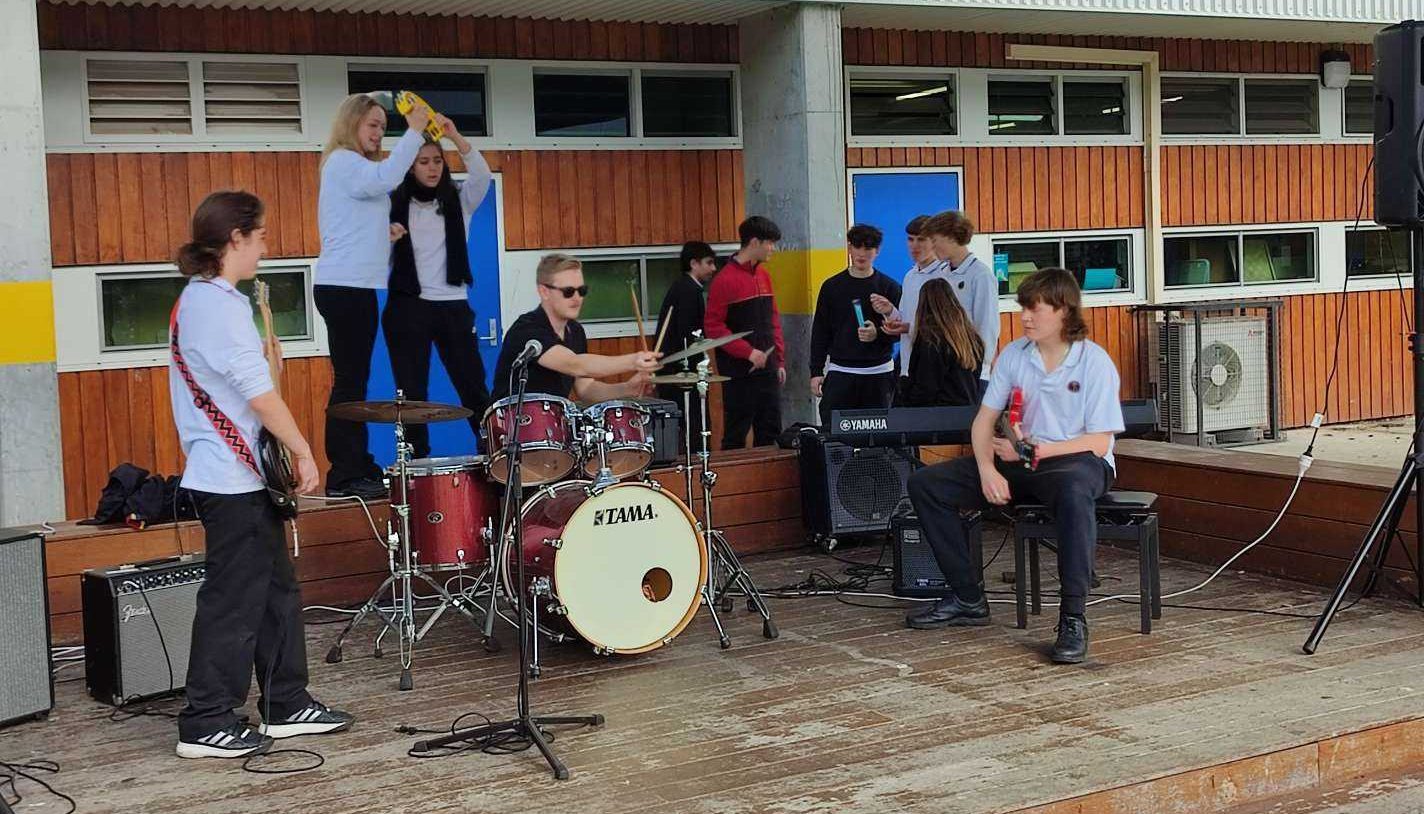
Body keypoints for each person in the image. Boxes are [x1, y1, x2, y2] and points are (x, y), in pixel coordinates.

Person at [169, 191, 353, 759]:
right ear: (236, 239)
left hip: (238, 477)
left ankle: (285, 702)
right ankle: (206, 720)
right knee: (234, 600)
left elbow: (244, 385)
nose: (266, 247)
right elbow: (259, 398)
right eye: (262, 236)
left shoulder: (205, 301)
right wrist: (303, 451)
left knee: (275, 592)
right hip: (230, 480)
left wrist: (268, 368)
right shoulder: (217, 306)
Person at [903, 268, 1124, 665]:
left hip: (1077, 462)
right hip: (1020, 459)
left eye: (1033, 308)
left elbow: (1100, 440)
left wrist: (1038, 453)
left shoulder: (1094, 362)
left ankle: (1073, 617)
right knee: (927, 484)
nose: (1024, 316)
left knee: (1074, 492)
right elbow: (984, 420)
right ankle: (968, 597)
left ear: (1062, 310)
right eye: (1022, 307)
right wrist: (987, 468)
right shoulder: (1014, 355)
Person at [315, 93, 429, 498]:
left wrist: (385, 233)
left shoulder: (351, 167)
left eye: (383, 127)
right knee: (349, 382)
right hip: (346, 288)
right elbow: (386, 179)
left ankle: (355, 464)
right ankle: (344, 474)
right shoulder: (345, 162)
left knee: (355, 381)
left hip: (353, 286)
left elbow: (349, 223)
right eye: (373, 125)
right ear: (352, 125)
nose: (379, 134)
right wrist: (414, 132)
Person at [383, 121, 493, 459]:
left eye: (437, 161)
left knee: (472, 386)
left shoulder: (460, 200)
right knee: (412, 393)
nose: (432, 168)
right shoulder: (391, 204)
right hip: (408, 306)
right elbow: (369, 255)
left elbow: (482, 175)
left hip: (452, 305)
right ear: (410, 166)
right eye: (423, 161)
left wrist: (455, 136)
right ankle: (416, 463)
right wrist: (382, 239)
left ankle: (494, 451)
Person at [491, 253, 660, 403]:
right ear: (544, 292)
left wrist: (627, 388)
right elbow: (574, 364)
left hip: (551, 432)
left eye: (582, 290)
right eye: (568, 291)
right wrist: (634, 361)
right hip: (509, 430)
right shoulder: (527, 329)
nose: (577, 298)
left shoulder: (575, 331)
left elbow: (585, 389)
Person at [879, 210, 999, 395]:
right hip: (930, 369)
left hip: (966, 374)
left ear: (951, 237)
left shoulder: (980, 275)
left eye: (934, 241)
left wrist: (977, 368)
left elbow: (987, 328)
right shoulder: (940, 274)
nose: (932, 247)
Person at [705, 216, 786, 449]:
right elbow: (714, 326)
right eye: (769, 243)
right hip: (739, 371)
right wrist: (748, 353)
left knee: (771, 428)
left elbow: (773, 320)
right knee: (736, 431)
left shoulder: (764, 276)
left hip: (768, 367)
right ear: (754, 242)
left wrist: (779, 360)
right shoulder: (724, 280)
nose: (773, 248)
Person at [809, 224, 902, 427]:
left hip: (879, 373)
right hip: (841, 371)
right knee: (833, 434)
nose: (862, 254)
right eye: (857, 247)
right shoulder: (832, 287)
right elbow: (820, 331)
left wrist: (877, 334)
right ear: (849, 248)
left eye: (868, 248)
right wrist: (815, 371)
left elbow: (901, 332)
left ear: (877, 251)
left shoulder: (890, 287)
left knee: (878, 440)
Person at [654, 241, 720, 447]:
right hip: (681, 371)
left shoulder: (681, 287)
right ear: (694, 263)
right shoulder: (689, 291)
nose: (713, 268)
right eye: (708, 263)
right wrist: (699, 365)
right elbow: (690, 336)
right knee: (695, 425)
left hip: (673, 368)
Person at [871, 214, 947, 392]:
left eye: (921, 240)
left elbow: (947, 327)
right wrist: (890, 311)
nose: (915, 245)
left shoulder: (945, 276)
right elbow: (905, 319)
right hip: (908, 365)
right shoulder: (910, 276)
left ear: (934, 241)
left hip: (936, 367)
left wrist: (909, 328)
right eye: (911, 239)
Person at [896, 278, 984, 408]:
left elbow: (925, 388)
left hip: (939, 417)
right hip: (968, 414)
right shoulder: (972, 338)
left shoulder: (931, 340)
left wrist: (903, 387)